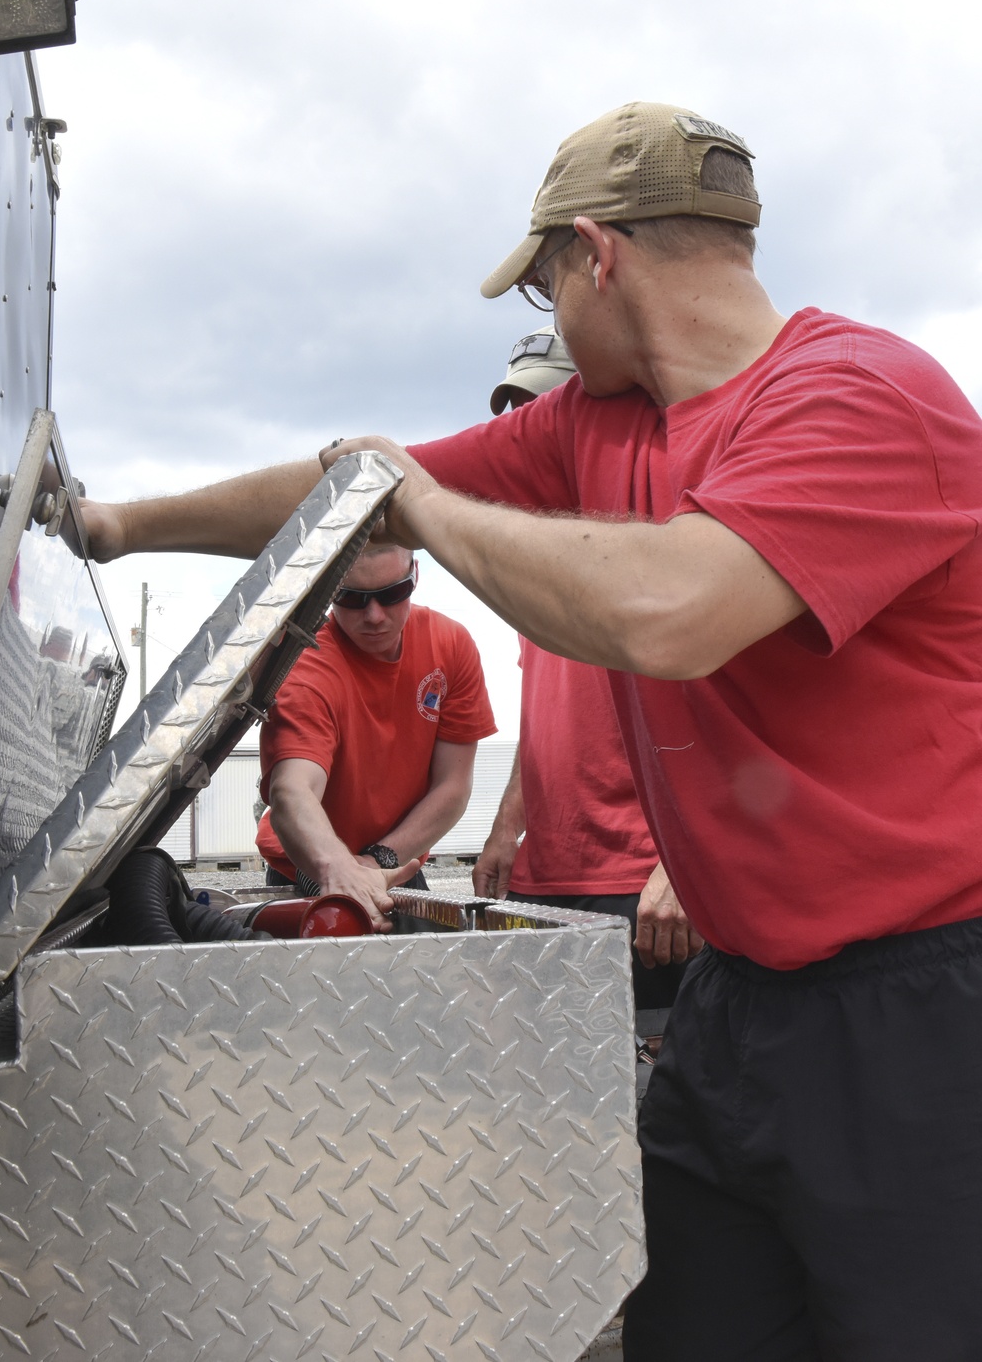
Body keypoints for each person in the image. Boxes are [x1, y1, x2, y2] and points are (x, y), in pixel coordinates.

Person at [81, 102, 982, 1360]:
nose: (549, 317)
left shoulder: (865, 397)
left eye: (547, 282)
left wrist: (424, 510)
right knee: (690, 1331)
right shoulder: (601, 424)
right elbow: (345, 494)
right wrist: (123, 522)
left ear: (593, 255)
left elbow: (667, 610)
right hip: (737, 1002)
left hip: (919, 1010)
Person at [478, 325, 699, 1009]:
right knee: (548, 1083)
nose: (527, 432)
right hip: (541, 874)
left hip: (641, 880)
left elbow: (733, 723)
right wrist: (503, 828)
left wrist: (685, 866)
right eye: (516, 415)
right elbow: (545, 714)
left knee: (657, 1095)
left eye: (545, 411)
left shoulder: (668, 541)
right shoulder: (534, 568)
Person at [256, 541, 497, 928]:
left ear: (414, 576)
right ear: (328, 588)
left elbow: (452, 786)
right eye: (351, 598)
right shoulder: (306, 662)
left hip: (394, 864)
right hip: (312, 866)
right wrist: (340, 870)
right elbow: (293, 790)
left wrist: (376, 861)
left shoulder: (450, 645)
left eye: (391, 593)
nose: (374, 615)